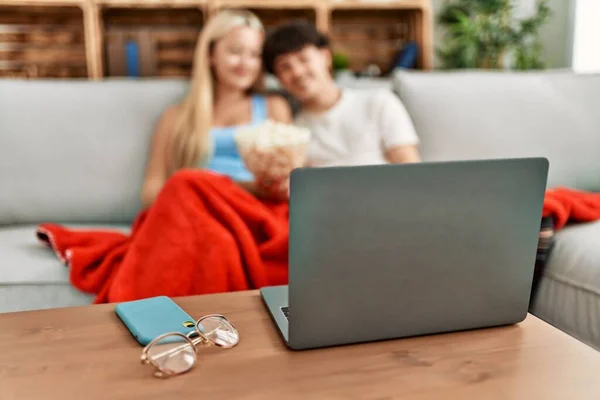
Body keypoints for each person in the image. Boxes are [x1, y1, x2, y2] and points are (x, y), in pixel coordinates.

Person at [141, 10, 293, 208]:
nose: (245, 63)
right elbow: (151, 190)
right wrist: (194, 194)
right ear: (211, 54)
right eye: (236, 51)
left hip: (251, 211)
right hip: (194, 211)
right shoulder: (175, 117)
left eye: (254, 55)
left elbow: (291, 183)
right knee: (183, 181)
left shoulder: (274, 108)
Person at [262, 21, 422, 168]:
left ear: (325, 57)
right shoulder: (294, 135)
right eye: (285, 67)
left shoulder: (379, 103)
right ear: (278, 79)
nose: (297, 72)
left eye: (303, 59)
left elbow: (410, 171)